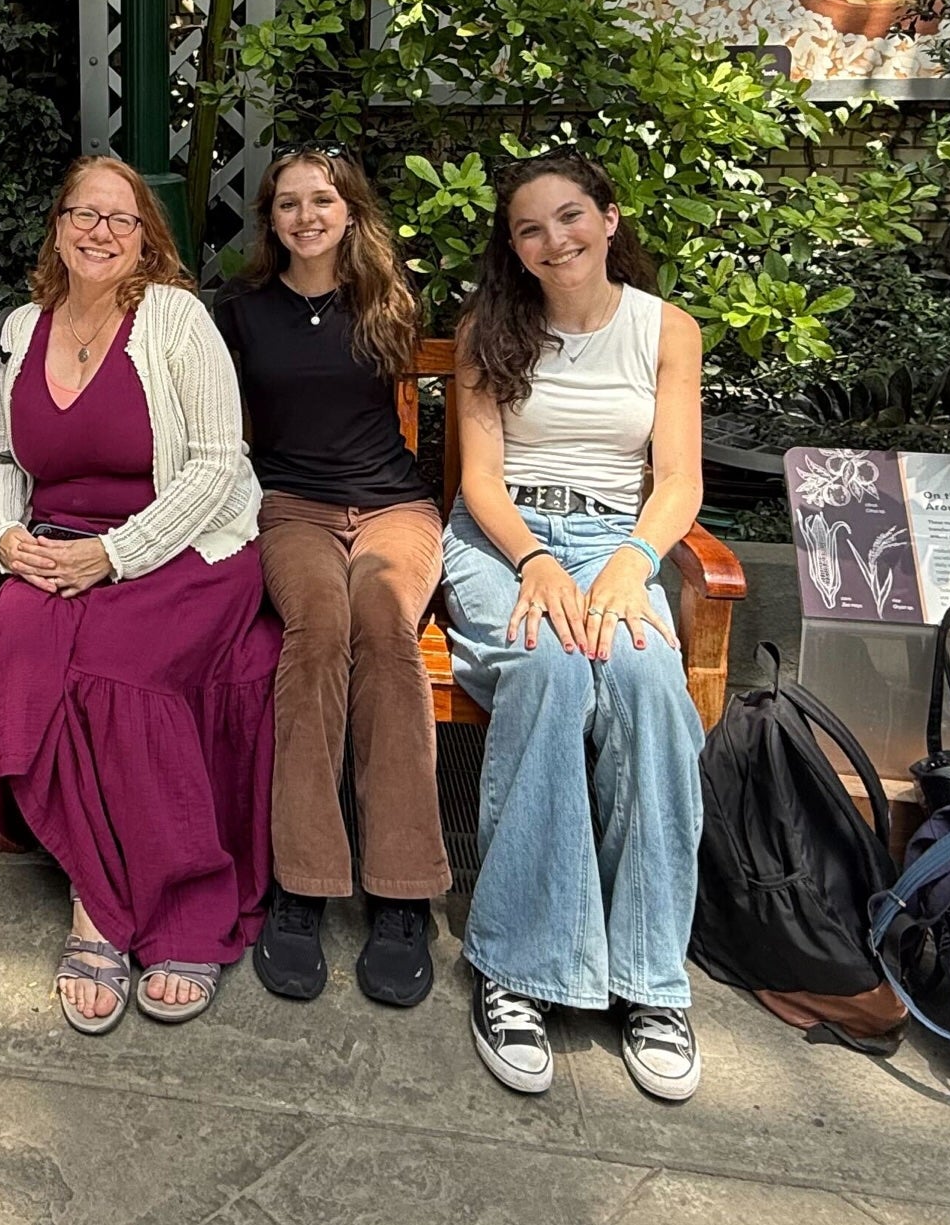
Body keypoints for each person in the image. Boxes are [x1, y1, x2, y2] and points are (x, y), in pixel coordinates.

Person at [0, 156, 281, 1031]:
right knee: (19, 635)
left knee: (109, 672)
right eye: (84, 213)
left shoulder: (175, 319)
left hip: (185, 547)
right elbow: (5, 459)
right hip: (57, 544)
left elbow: (216, 468)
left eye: (121, 219)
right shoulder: (22, 326)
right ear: (59, 226)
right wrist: (6, 540)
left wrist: (113, 555)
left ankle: (147, 908)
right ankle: (99, 887)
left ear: (146, 239)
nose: (100, 231)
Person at [441, 153, 708, 1104]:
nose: (554, 240)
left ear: (608, 217)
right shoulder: (489, 330)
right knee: (549, 668)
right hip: (503, 539)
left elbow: (679, 479)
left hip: (616, 540)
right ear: (513, 248)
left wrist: (632, 562)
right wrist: (534, 562)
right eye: (530, 229)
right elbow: (481, 481)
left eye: (569, 217)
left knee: (648, 683)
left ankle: (650, 979)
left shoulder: (665, 330)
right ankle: (517, 967)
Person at [218, 149, 447, 1009]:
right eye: (289, 203)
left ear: (350, 211)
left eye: (322, 200)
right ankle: (304, 880)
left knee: (385, 630)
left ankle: (402, 889)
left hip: (394, 508)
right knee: (316, 632)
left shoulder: (387, 299)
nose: (306, 216)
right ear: (270, 220)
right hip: (293, 508)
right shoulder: (241, 311)